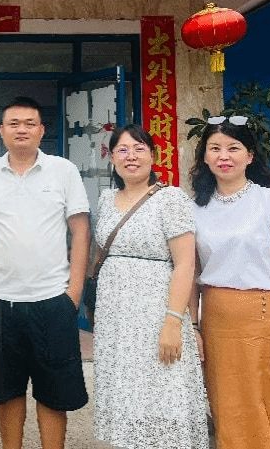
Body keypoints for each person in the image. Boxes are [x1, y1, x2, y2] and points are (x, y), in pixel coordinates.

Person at [0, 96, 90, 449]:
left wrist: (74, 293)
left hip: (53, 300)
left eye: (29, 123)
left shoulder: (63, 170)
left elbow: (80, 231)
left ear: (41, 130)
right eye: (14, 123)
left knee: (54, 392)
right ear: (2, 131)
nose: (22, 129)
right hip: (1, 301)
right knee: (7, 391)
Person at [189, 115, 270, 449]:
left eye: (233, 148)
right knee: (228, 409)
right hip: (216, 321)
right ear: (204, 157)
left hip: (265, 318)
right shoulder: (194, 208)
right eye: (215, 148)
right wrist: (192, 327)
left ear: (249, 156)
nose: (224, 156)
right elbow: (191, 273)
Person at [92, 124, 208, 449]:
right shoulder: (106, 199)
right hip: (115, 318)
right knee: (125, 392)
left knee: (162, 392)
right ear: (112, 157)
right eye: (123, 150)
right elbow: (101, 255)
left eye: (139, 149)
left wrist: (173, 322)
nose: (131, 156)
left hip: (157, 314)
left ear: (153, 156)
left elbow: (185, 265)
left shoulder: (171, 199)